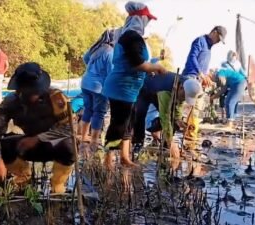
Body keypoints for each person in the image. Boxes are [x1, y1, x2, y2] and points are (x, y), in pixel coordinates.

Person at [0, 62, 76, 193]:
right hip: (26, 147)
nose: (32, 96)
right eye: (28, 92)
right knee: (4, 146)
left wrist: (38, 138)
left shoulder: (57, 98)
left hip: (54, 146)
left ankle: (57, 186)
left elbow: (69, 129)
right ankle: (23, 180)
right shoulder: (11, 102)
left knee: (70, 146)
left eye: (35, 92)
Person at [102, 1, 167, 169]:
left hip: (128, 89)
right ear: (140, 19)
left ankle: (124, 157)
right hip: (120, 88)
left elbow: (138, 63)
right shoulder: (132, 37)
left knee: (128, 123)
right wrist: (156, 67)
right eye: (147, 19)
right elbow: (137, 64)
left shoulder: (130, 36)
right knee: (118, 125)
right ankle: (108, 160)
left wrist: (149, 69)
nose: (148, 23)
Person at [133, 73, 203, 159]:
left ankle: (165, 145)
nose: (183, 99)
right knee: (140, 115)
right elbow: (165, 116)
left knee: (175, 121)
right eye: (184, 97)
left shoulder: (186, 83)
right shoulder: (166, 90)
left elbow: (179, 104)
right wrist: (171, 142)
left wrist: (178, 119)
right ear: (180, 88)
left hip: (163, 92)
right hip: (145, 90)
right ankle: (138, 144)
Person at [181, 25, 227, 144]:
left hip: (200, 80)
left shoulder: (210, 47)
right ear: (214, 32)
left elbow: (203, 66)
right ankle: (189, 135)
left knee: (198, 109)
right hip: (191, 76)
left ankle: (191, 135)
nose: (217, 42)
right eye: (218, 38)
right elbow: (192, 57)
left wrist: (207, 78)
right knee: (191, 107)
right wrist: (200, 73)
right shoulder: (200, 41)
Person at [79, 29, 115, 155]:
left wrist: (91, 69)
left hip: (85, 82)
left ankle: (83, 137)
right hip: (99, 86)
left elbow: (85, 58)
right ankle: (94, 141)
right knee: (99, 113)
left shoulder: (96, 48)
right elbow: (111, 72)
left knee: (88, 109)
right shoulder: (110, 52)